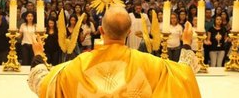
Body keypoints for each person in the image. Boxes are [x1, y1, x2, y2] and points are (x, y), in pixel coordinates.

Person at [28, 6, 200, 97]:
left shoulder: (78, 65)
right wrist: (186, 44)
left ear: (101, 31)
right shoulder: (150, 63)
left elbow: (43, 84)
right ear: (129, 33)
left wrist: (37, 55)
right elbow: (184, 75)